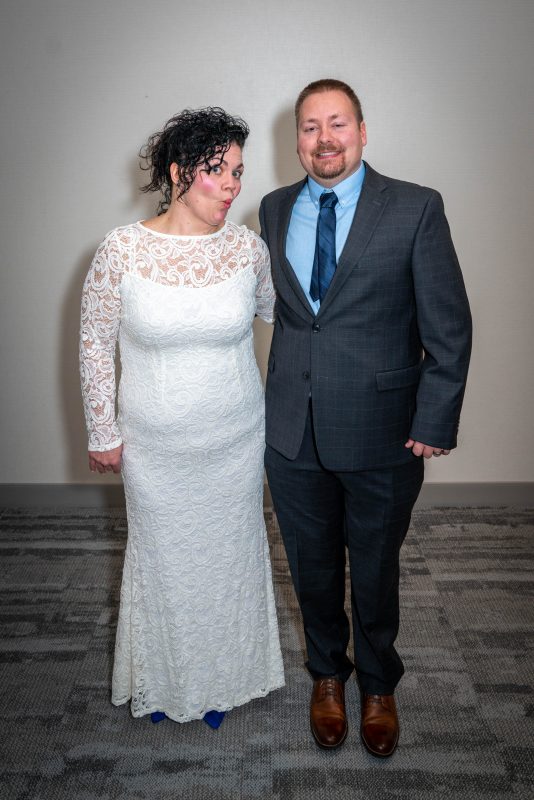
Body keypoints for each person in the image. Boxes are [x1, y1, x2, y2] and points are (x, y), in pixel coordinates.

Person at [259, 79, 471, 756]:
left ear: (362, 131)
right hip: (292, 431)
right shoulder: (272, 208)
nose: (325, 139)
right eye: (310, 126)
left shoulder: (414, 207)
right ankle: (328, 675)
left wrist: (435, 419)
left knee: (375, 569)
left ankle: (379, 685)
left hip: (384, 431)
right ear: (297, 139)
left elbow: (449, 327)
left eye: (338, 123)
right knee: (311, 567)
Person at [80, 107, 284, 727]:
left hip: (236, 440)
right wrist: (102, 430)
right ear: (177, 172)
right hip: (155, 447)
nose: (231, 186)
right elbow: (94, 343)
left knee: (228, 558)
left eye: (238, 172)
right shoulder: (121, 250)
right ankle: (166, 679)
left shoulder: (248, 250)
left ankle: (225, 679)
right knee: (166, 561)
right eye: (217, 171)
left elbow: (287, 318)